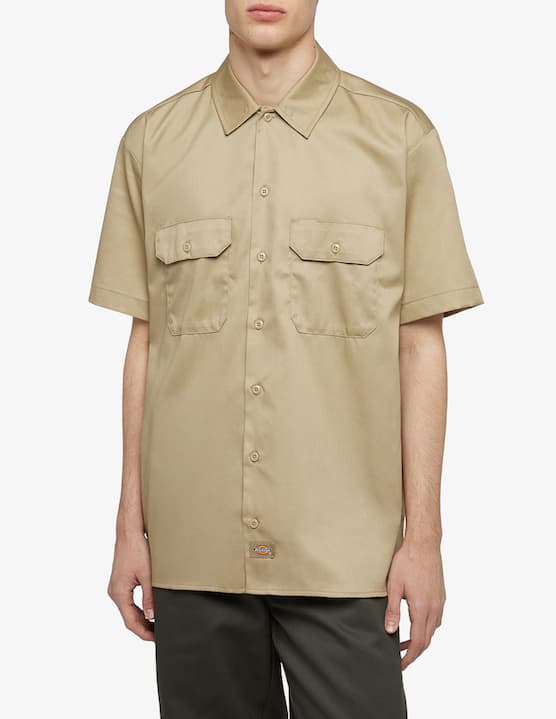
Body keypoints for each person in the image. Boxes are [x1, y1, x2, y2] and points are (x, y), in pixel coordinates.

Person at [88, 1, 484, 717]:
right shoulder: (152, 141)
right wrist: (128, 529)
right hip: (193, 553)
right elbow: (147, 341)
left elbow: (419, 345)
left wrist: (424, 539)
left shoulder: (399, 137)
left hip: (348, 559)